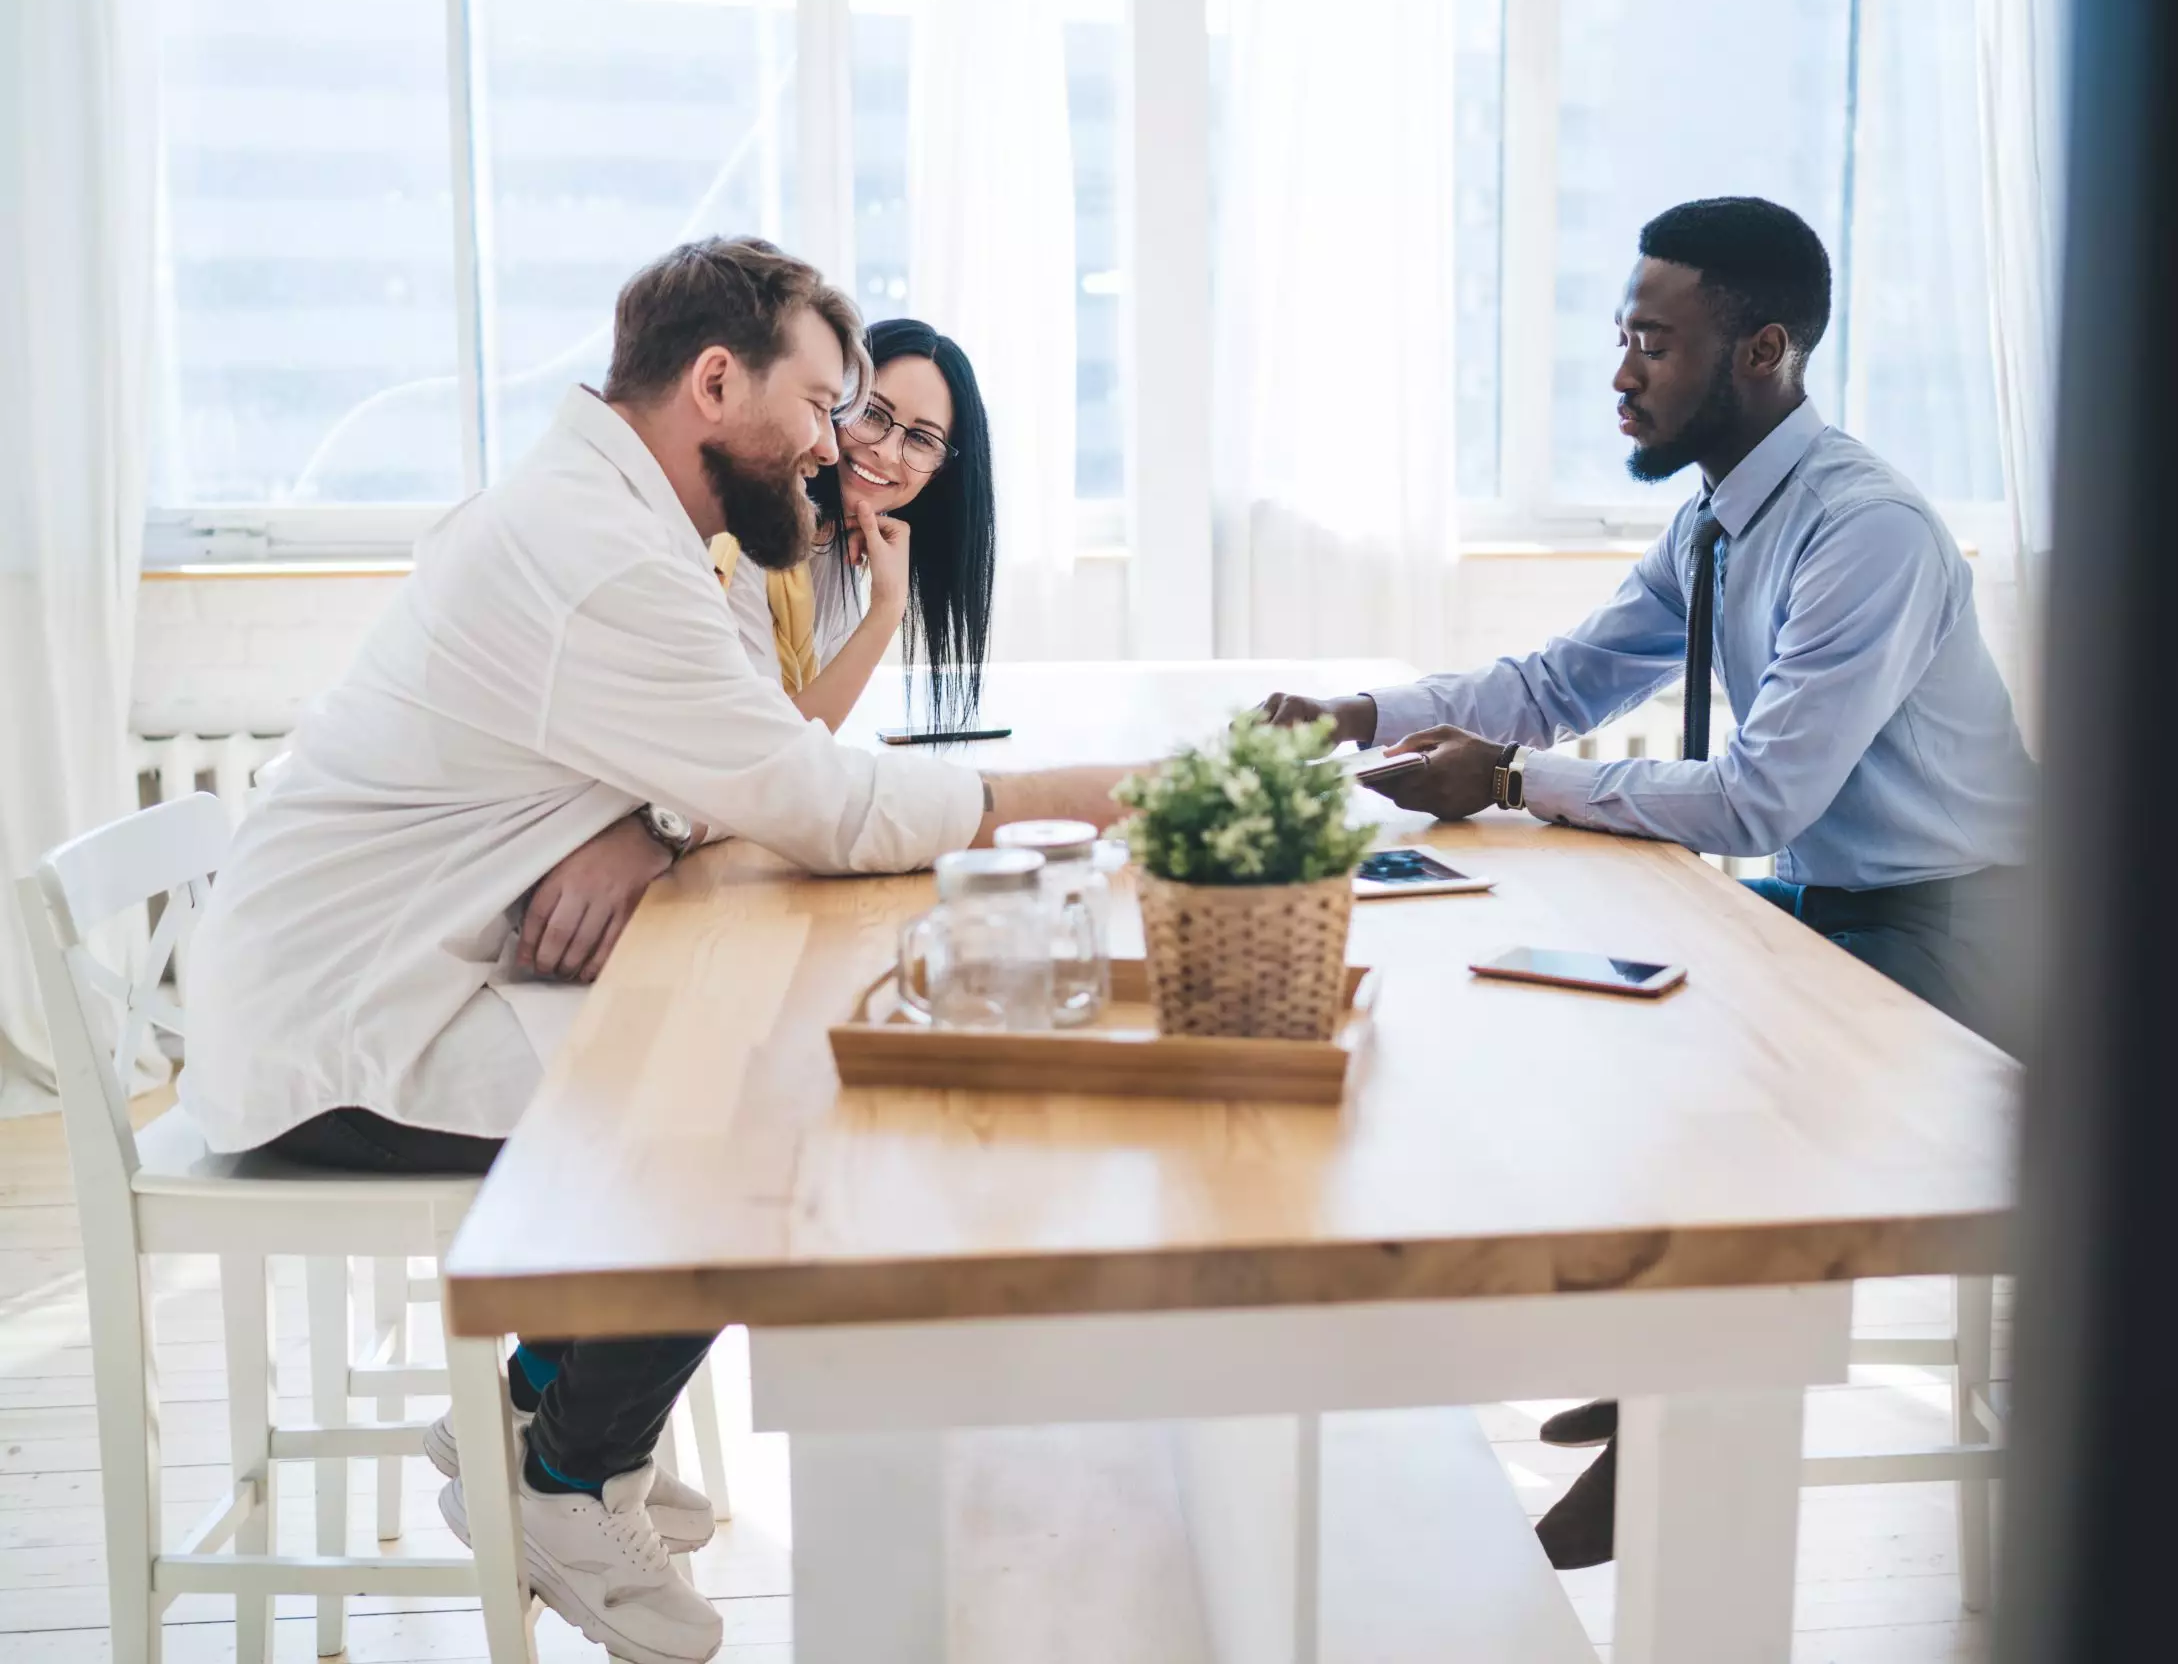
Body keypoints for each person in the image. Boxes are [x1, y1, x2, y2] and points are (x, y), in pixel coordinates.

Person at [178, 237, 1132, 1664]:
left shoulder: (643, 522)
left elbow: (733, 750)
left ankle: (535, 1414)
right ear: (712, 382)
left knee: (726, 1054)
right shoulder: (600, 555)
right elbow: (814, 798)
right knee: (757, 1117)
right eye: (821, 408)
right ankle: (565, 1474)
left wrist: (654, 824)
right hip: (347, 1034)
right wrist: (1107, 795)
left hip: (401, 970)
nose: (834, 447)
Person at [1261, 196, 2039, 1570]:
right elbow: (1561, 682)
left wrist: (1507, 781)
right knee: (1604, 1015)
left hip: (1970, 938)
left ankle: (1681, 1415)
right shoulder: (1719, 523)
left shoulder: (1866, 533)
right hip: (1840, 909)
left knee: (1736, 1068)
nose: (1621, 373)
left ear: (1765, 351)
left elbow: (1758, 797)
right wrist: (1357, 712)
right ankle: (1657, 1354)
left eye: (1653, 341)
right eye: (1620, 336)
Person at [714, 317, 995, 734]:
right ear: (832, 404)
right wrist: (886, 609)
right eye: (872, 413)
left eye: (921, 440)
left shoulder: (841, 549)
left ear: (939, 475)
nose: (885, 451)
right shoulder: (741, 540)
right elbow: (772, 747)